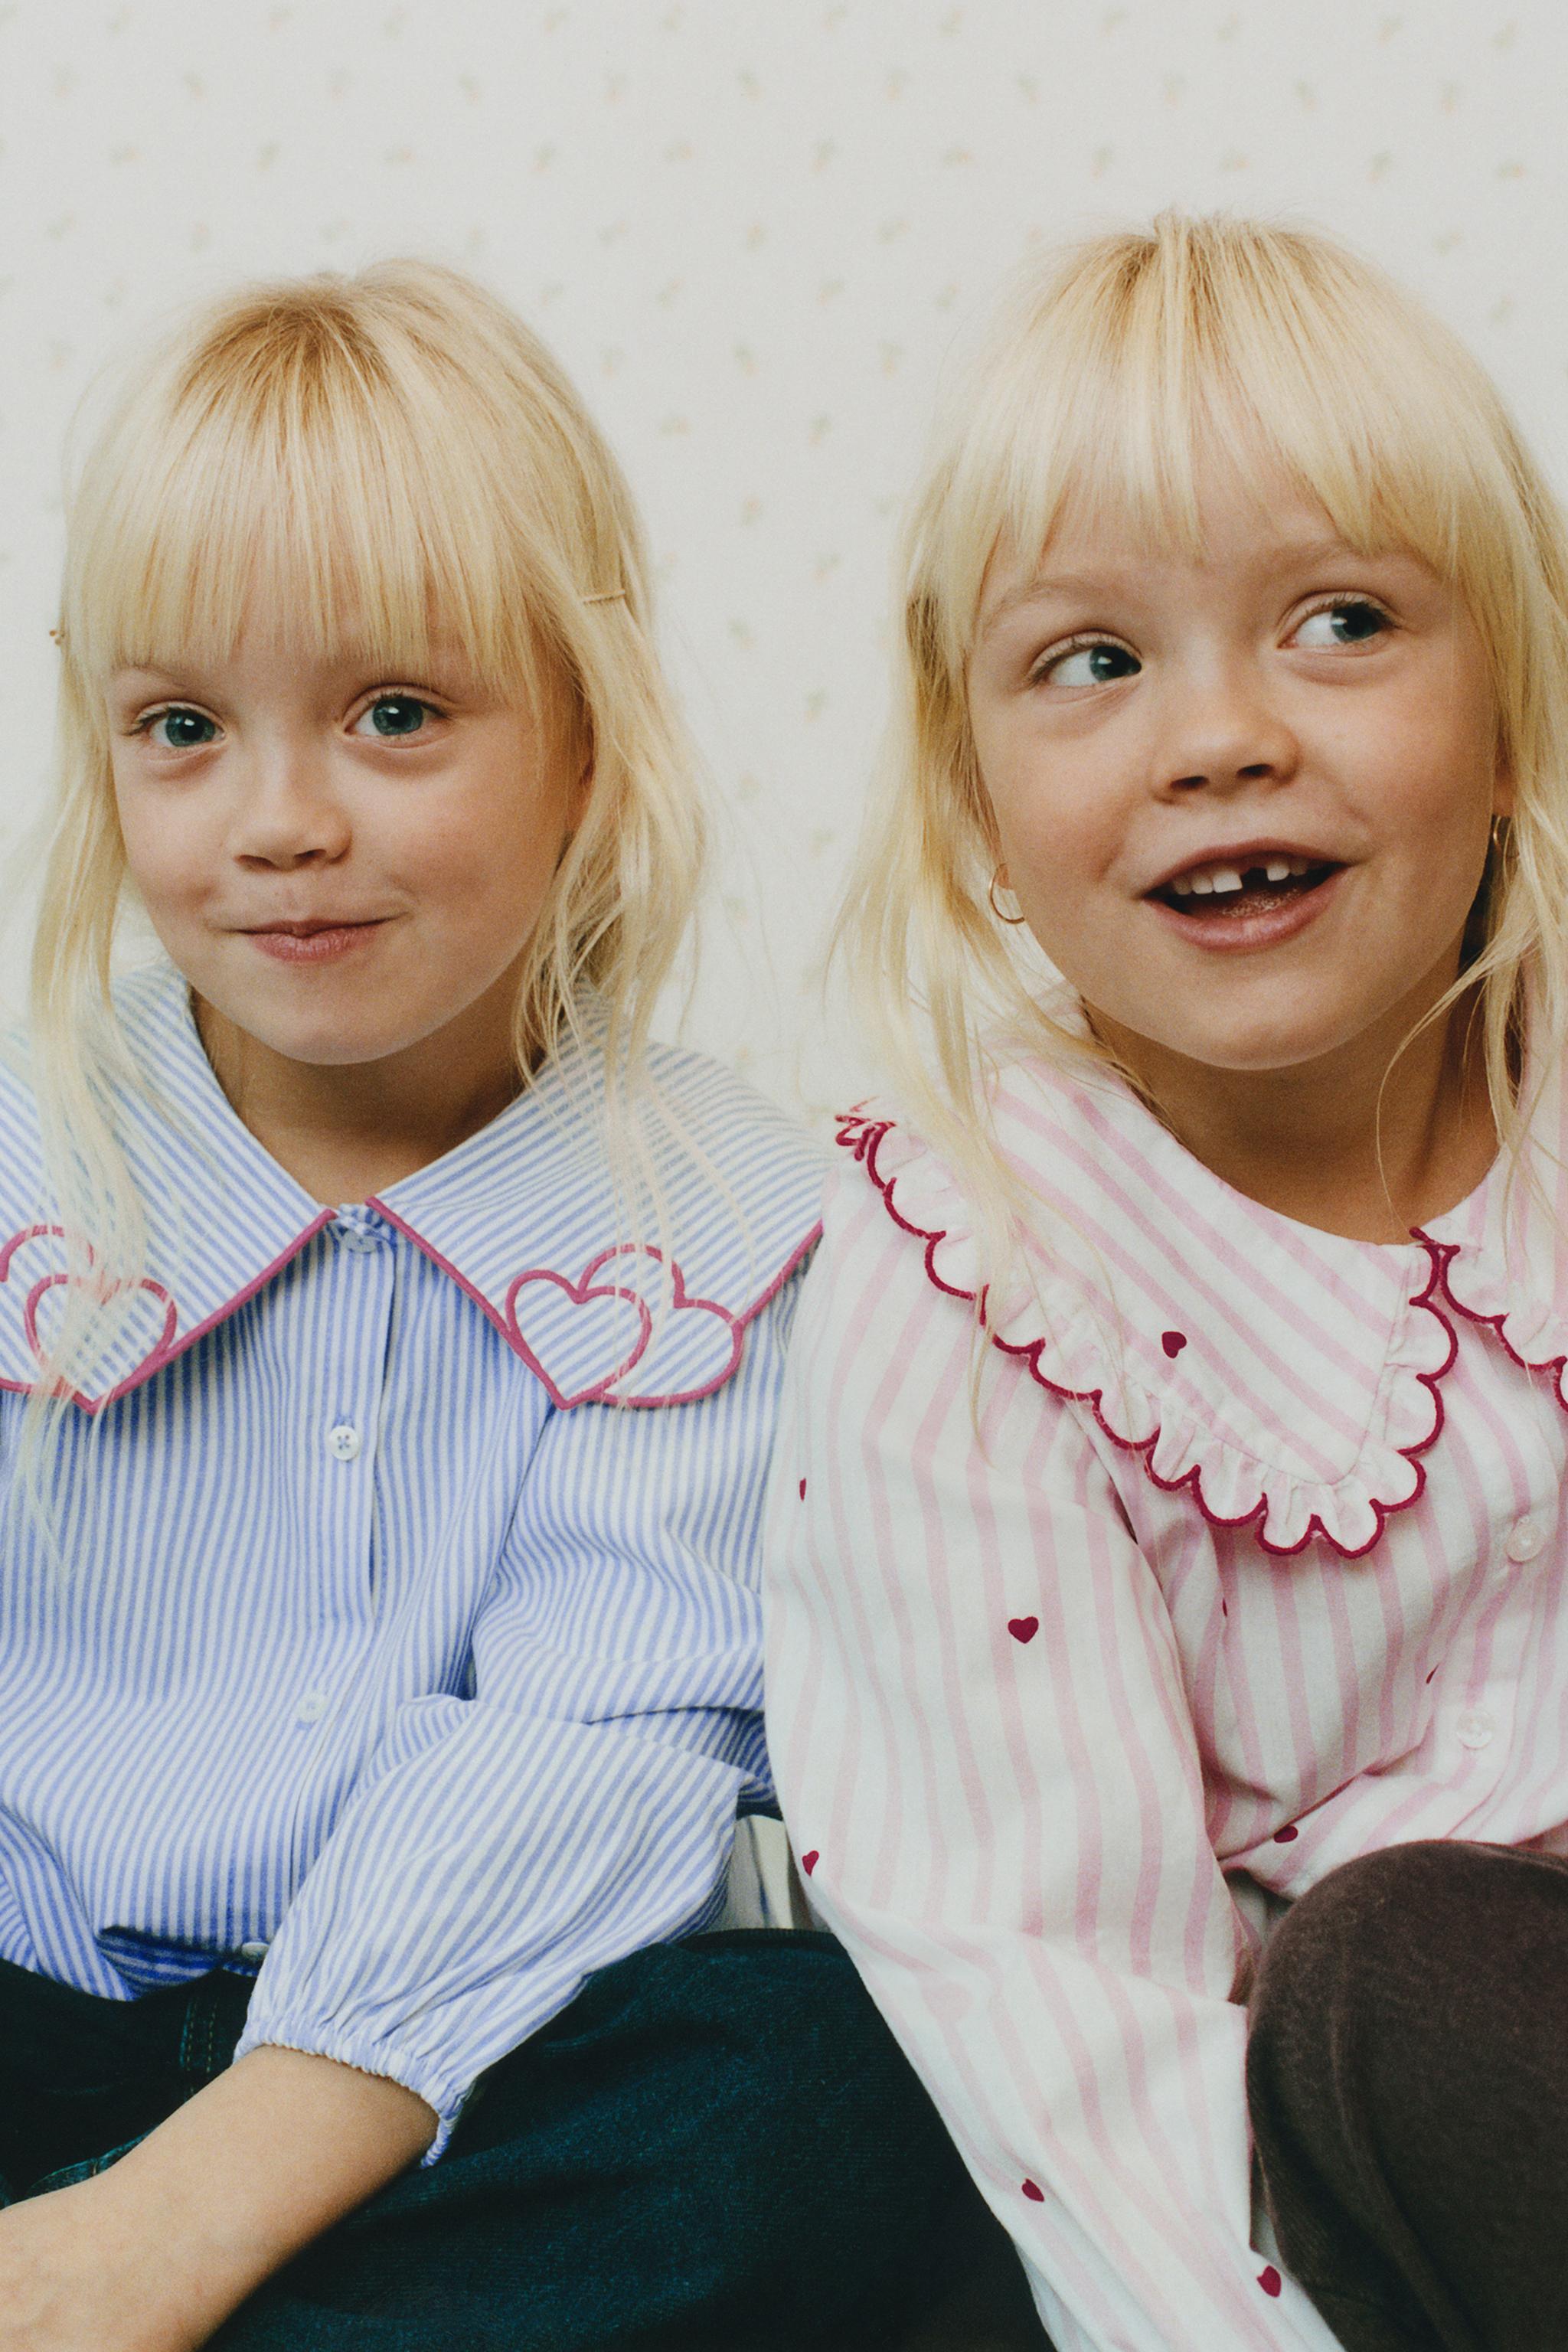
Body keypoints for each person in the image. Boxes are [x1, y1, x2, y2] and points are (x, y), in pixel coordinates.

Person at [0, 260, 985, 2352]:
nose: (283, 820)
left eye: (396, 716)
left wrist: (161, 2236)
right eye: (184, 729)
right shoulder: (28, 1172)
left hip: (466, 2090)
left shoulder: (738, 1225)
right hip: (26, 2027)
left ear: (588, 740)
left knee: (834, 2089)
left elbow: (591, 1751)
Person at [763, 211, 1568, 2352]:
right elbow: (1045, 1982)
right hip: (1318, 2165)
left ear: (1514, 713)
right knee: (1391, 1981)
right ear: (972, 800)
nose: (1216, 738)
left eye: (1341, 622)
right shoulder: (977, 1277)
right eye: (1094, 662)